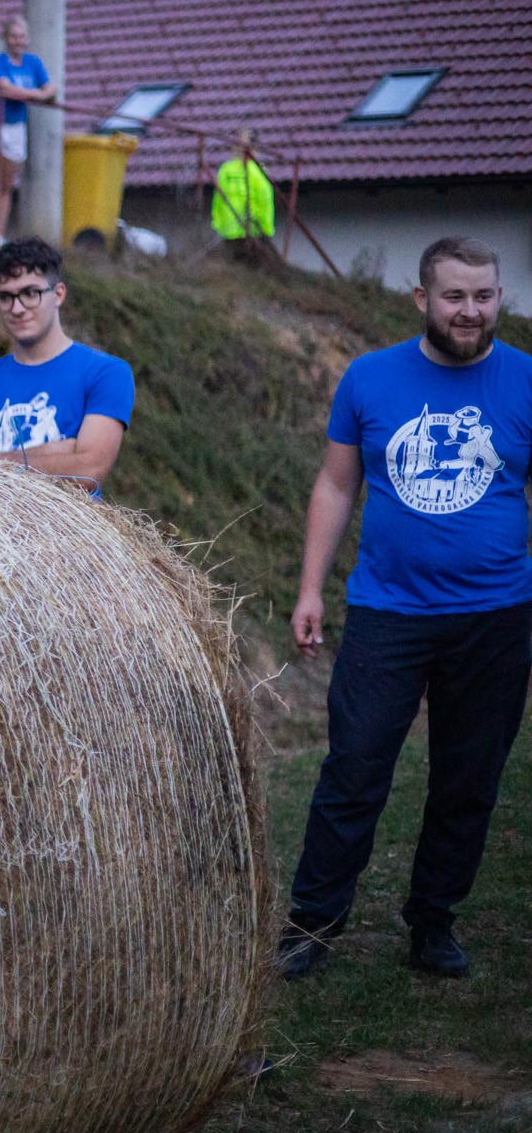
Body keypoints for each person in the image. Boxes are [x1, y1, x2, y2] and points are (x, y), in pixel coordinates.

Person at [280, 236, 532, 983]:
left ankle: (433, 922)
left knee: (469, 778)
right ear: (422, 299)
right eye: (455, 296)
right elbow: (335, 485)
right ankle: (312, 922)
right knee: (354, 767)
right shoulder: (370, 378)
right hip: (387, 612)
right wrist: (309, 587)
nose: (471, 310)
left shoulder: (524, 380)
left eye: (484, 295)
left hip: (495, 616)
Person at [0, 237, 132, 494]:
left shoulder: (107, 373)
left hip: (73, 530)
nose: (17, 308)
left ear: (58, 294)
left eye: (30, 294)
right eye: (5, 297)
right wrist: (60, 450)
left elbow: (89, 472)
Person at [0, 17, 56, 248]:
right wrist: (35, 94)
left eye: (21, 36)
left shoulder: (33, 63)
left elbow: (50, 88)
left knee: (6, 184)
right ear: (6, 39)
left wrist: (34, 94)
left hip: (15, 125)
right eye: (13, 36)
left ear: (27, 39)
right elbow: (6, 88)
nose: (18, 41)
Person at [213, 129, 277, 265]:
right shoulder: (227, 169)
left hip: (251, 232)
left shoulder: (257, 170)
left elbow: (265, 201)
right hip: (233, 232)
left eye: (241, 143)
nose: (237, 147)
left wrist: (264, 228)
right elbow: (218, 199)